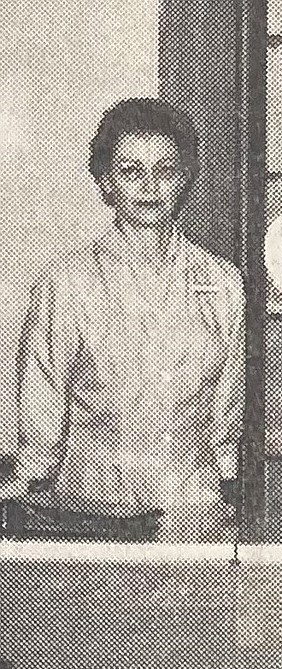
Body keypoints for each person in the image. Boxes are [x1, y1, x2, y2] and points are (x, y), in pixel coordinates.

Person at [0, 98, 245, 541]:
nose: (149, 186)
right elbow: (42, 398)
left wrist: (223, 479)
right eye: (132, 172)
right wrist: (28, 478)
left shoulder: (221, 281)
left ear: (184, 178)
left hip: (188, 507)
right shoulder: (66, 282)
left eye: (165, 170)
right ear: (106, 182)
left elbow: (226, 404)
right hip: (88, 511)